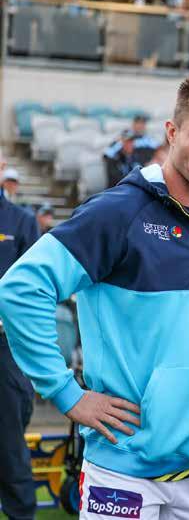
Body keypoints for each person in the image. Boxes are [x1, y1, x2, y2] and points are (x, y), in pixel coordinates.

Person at [0, 72, 189, 518]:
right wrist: (66, 392)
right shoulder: (118, 212)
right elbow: (21, 287)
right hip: (122, 469)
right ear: (172, 132)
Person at [0, 147, 39, 520]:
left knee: (9, 443)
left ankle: (20, 514)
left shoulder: (21, 221)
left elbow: (33, 287)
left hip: (5, 344)